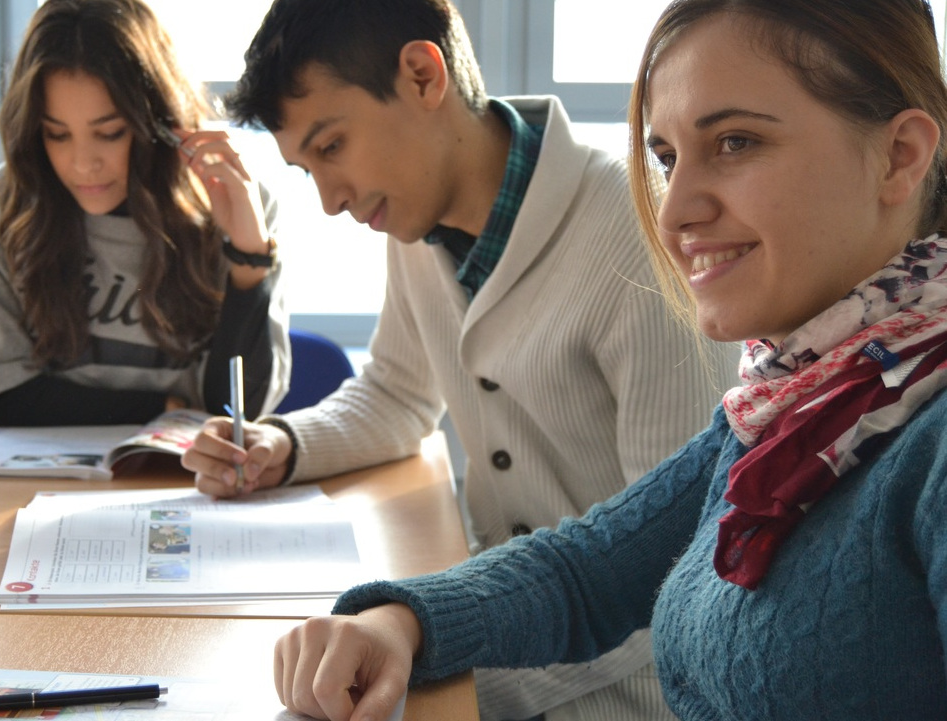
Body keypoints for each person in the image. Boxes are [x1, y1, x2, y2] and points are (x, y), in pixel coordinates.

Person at [270, 0, 947, 719]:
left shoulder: (921, 442)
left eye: (736, 142)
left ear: (900, 155)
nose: (673, 209)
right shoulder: (800, 397)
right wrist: (401, 620)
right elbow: (588, 569)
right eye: (665, 157)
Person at [181, 1, 738, 718]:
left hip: (623, 688)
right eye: (304, 168)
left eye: (331, 147)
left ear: (421, 75)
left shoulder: (635, 235)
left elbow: (671, 572)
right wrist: (282, 445)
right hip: (491, 625)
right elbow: (397, 394)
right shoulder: (413, 222)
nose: (328, 200)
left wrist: (457, 676)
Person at [0, 0, 290, 428]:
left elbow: (235, 412)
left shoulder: (230, 203)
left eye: (110, 133)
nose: (83, 164)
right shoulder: (13, 201)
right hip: (47, 482)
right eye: (57, 134)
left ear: (156, 123)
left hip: (186, 483)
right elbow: (0, 399)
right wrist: (163, 410)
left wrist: (249, 258)